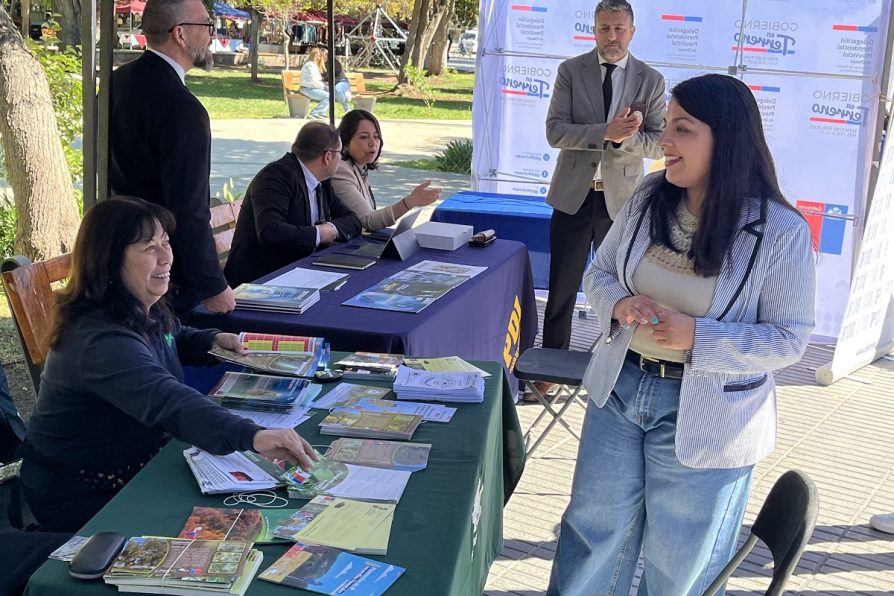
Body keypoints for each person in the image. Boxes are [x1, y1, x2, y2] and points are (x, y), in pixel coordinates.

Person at [547, 73, 816, 595]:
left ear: (727, 140)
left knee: (680, 565)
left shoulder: (780, 232)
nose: (662, 140)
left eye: (681, 129)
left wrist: (699, 336)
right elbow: (599, 274)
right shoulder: (650, 194)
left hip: (709, 416)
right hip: (620, 390)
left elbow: (789, 339)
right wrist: (621, 303)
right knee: (589, 539)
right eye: (665, 125)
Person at [20, 198, 318, 533]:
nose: (166, 257)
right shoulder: (98, 339)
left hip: (137, 463)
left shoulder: (136, 306)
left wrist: (209, 341)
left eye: (165, 242)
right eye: (149, 247)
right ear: (109, 261)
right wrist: (251, 435)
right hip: (82, 490)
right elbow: (168, 400)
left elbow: (170, 335)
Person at [539, 0, 666, 392]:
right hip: (573, 197)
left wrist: (624, 139)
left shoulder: (651, 79)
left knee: (621, 291)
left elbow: (659, 144)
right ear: (593, 30)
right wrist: (603, 132)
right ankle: (548, 374)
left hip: (622, 203)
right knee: (561, 288)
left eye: (618, 29)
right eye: (604, 29)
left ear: (632, 31)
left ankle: (617, 374)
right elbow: (555, 132)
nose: (611, 37)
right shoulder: (570, 71)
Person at [109, 0, 235, 318]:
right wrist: (213, 287)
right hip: (165, 278)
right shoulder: (183, 108)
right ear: (180, 33)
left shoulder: (116, 82)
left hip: (115, 255)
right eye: (207, 26)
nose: (211, 35)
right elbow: (188, 209)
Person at [224, 122, 362, 287]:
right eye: (341, 153)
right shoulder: (276, 177)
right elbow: (270, 231)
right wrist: (318, 234)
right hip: (261, 280)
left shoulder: (321, 181)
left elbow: (353, 220)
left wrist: (330, 229)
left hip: (299, 273)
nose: (342, 158)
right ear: (328, 156)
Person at [331, 110, 441, 231]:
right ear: (345, 143)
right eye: (363, 137)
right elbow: (369, 221)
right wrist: (410, 202)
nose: (373, 143)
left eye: (376, 136)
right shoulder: (340, 170)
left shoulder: (360, 167)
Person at [300, 47, 330, 120]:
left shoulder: (314, 65)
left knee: (330, 94)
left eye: (320, 56)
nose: (319, 58)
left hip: (312, 88)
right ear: (312, 55)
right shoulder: (310, 65)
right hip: (307, 88)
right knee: (328, 96)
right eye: (317, 56)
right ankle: (314, 113)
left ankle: (321, 113)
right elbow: (313, 82)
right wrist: (324, 87)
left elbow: (317, 82)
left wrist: (325, 86)